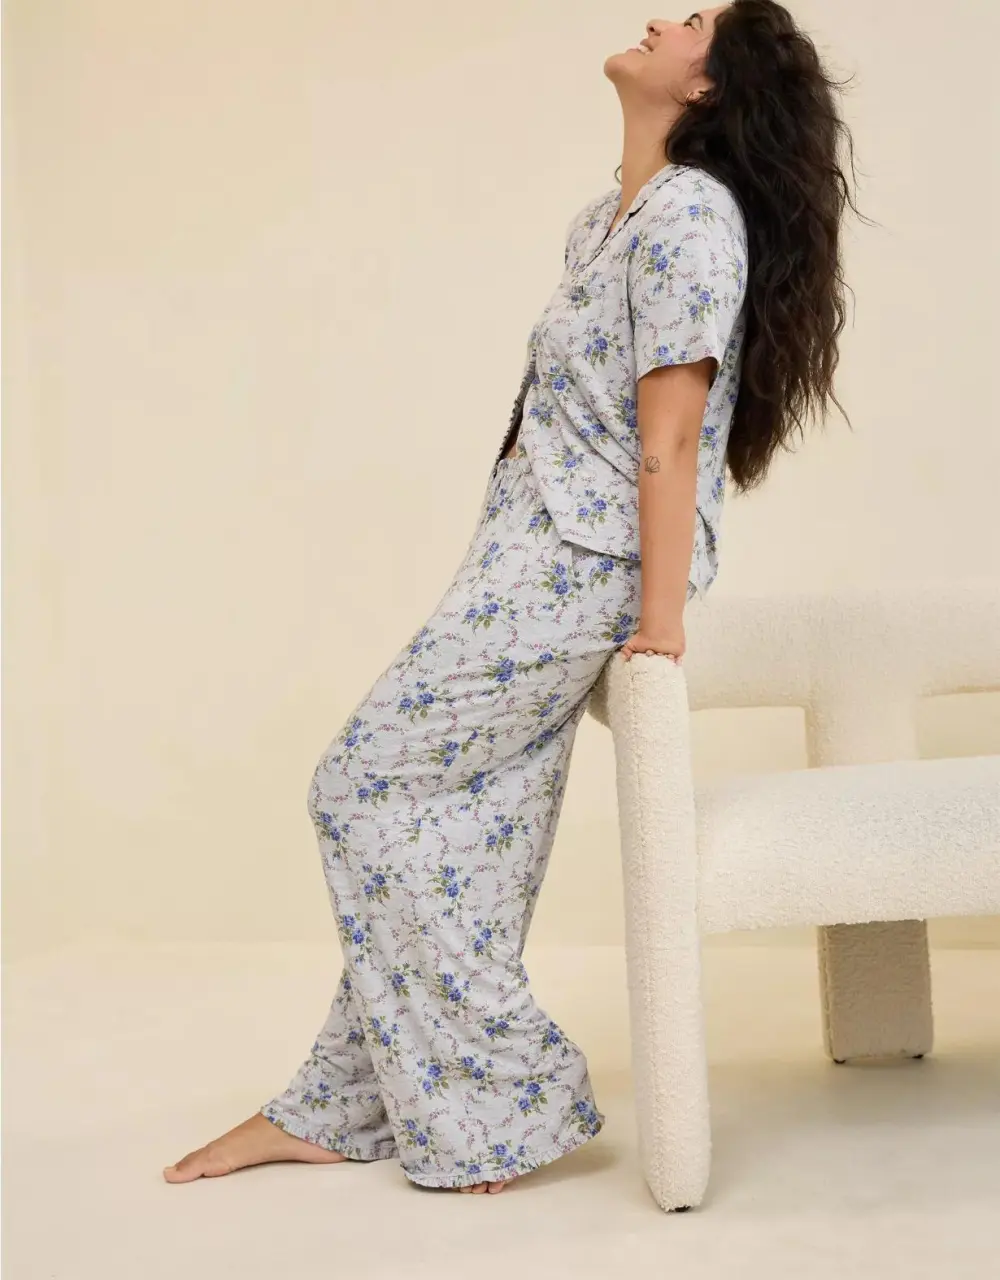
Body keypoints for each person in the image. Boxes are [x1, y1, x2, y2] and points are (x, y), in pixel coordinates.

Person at [165, 2, 856, 1195]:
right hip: (521, 548)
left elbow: (670, 431)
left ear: (709, 87)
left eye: (690, 22)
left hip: (581, 561)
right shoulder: (606, 219)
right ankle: (345, 1105)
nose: (658, 19)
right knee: (474, 828)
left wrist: (658, 620)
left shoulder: (693, 218)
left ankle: (507, 1094)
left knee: (358, 783)